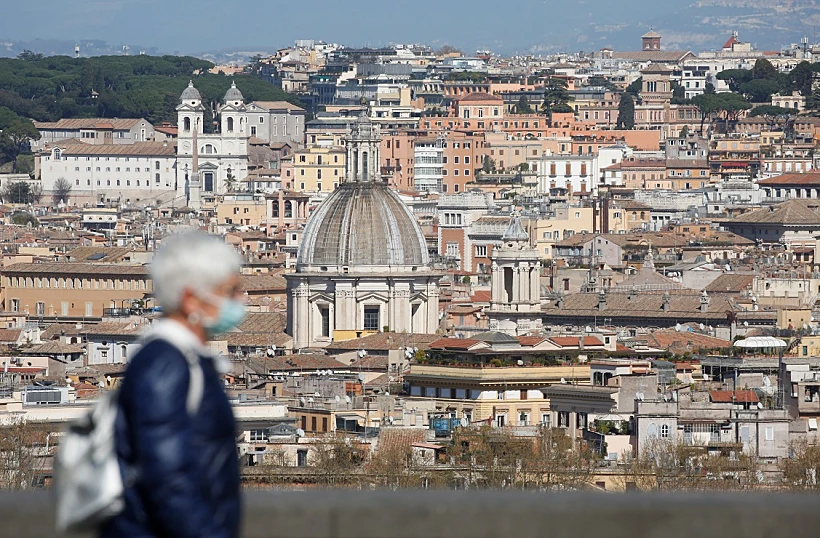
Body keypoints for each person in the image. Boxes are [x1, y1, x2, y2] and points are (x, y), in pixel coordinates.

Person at [101, 232, 245, 538]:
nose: (240, 300)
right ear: (191, 299)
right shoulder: (166, 365)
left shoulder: (183, 359)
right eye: (230, 291)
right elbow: (168, 480)